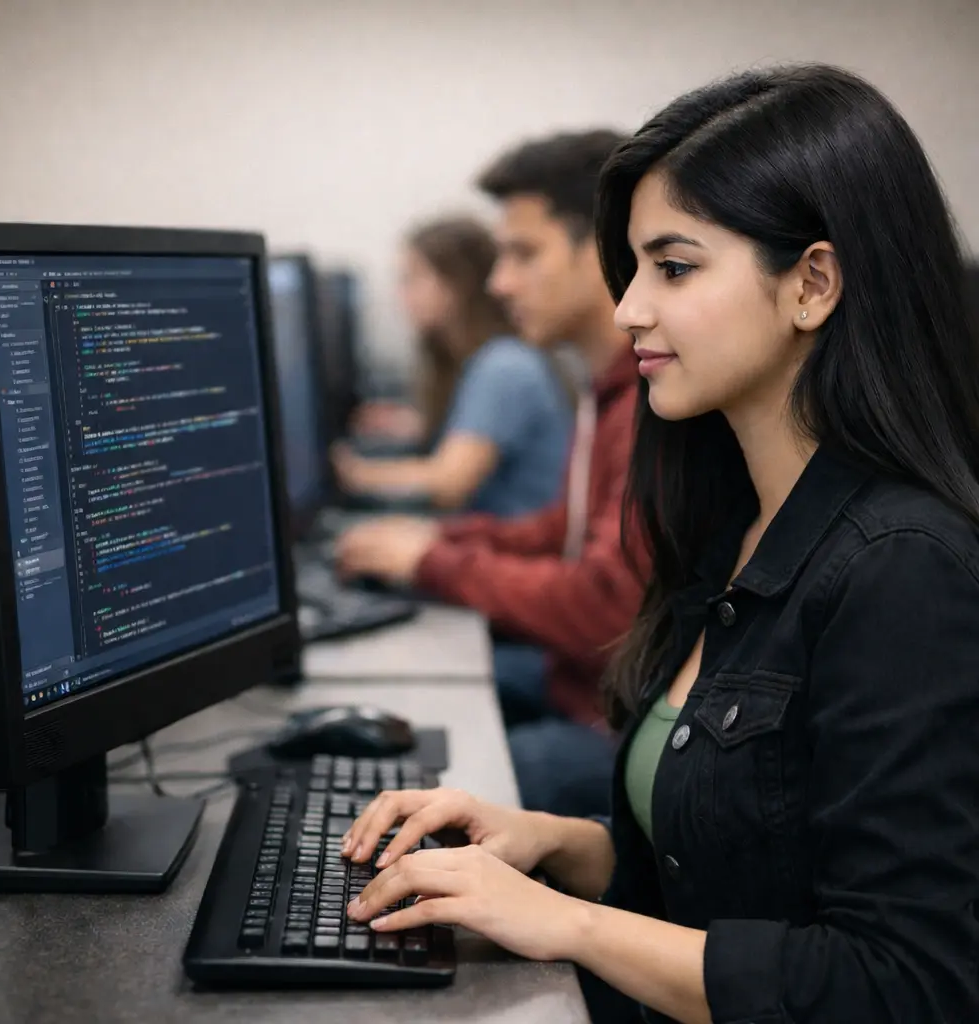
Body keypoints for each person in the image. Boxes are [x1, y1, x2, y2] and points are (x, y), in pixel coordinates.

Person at [338, 65, 979, 1024]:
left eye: (673, 268)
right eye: (633, 268)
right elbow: (735, 878)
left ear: (812, 284)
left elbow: (904, 982)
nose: (628, 308)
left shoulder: (903, 568)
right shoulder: (728, 522)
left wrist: (568, 924)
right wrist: (556, 843)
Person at [337, 130, 647, 818]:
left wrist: (434, 561)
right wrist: (443, 543)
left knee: (417, 784)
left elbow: (605, 608)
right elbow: (567, 527)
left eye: (524, 254)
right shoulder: (602, 385)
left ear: (601, 248)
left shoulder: (647, 402)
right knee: (407, 708)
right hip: (580, 683)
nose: (499, 281)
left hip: (611, 717)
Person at [334, 217, 572, 517]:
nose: (402, 295)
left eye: (412, 279)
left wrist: (354, 472)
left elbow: (448, 484)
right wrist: (415, 426)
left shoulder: (504, 365)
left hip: (515, 538)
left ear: (456, 284)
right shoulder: (481, 359)